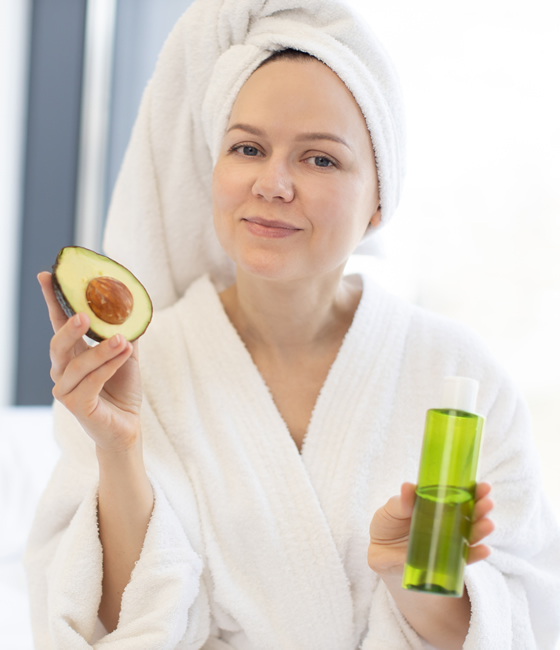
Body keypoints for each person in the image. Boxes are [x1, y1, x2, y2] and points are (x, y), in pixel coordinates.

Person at [26, 1, 560, 648]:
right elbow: (107, 629)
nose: (273, 183)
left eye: (321, 160)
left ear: (379, 200)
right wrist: (117, 450)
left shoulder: (459, 377)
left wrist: (416, 585)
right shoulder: (137, 366)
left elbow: (524, 625)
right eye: (247, 148)